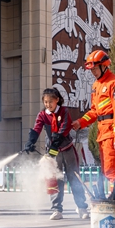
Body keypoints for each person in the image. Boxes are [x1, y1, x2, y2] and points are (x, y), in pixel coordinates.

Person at [71, 49, 115, 212]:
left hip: (112, 133)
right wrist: (80, 122)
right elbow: (94, 111)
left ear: (104, 66)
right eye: (91, 69)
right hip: (103, 132)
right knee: (107, 169)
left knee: (112, 169)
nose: (93, 72)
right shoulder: (97, 85)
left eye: (95, 69)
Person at [24, 88, 89, 220]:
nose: (48, 104)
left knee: (74, 177)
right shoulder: (42, 115)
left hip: (67, 149)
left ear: (57, 100)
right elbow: (37, 129)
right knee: (54, 179)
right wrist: (30, 142)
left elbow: (63, 129)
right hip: (53, 151)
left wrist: (54, 145)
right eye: (45, 102)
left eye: (50, 102)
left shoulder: (64, 111)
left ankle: (81, 207)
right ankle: (56, 209)